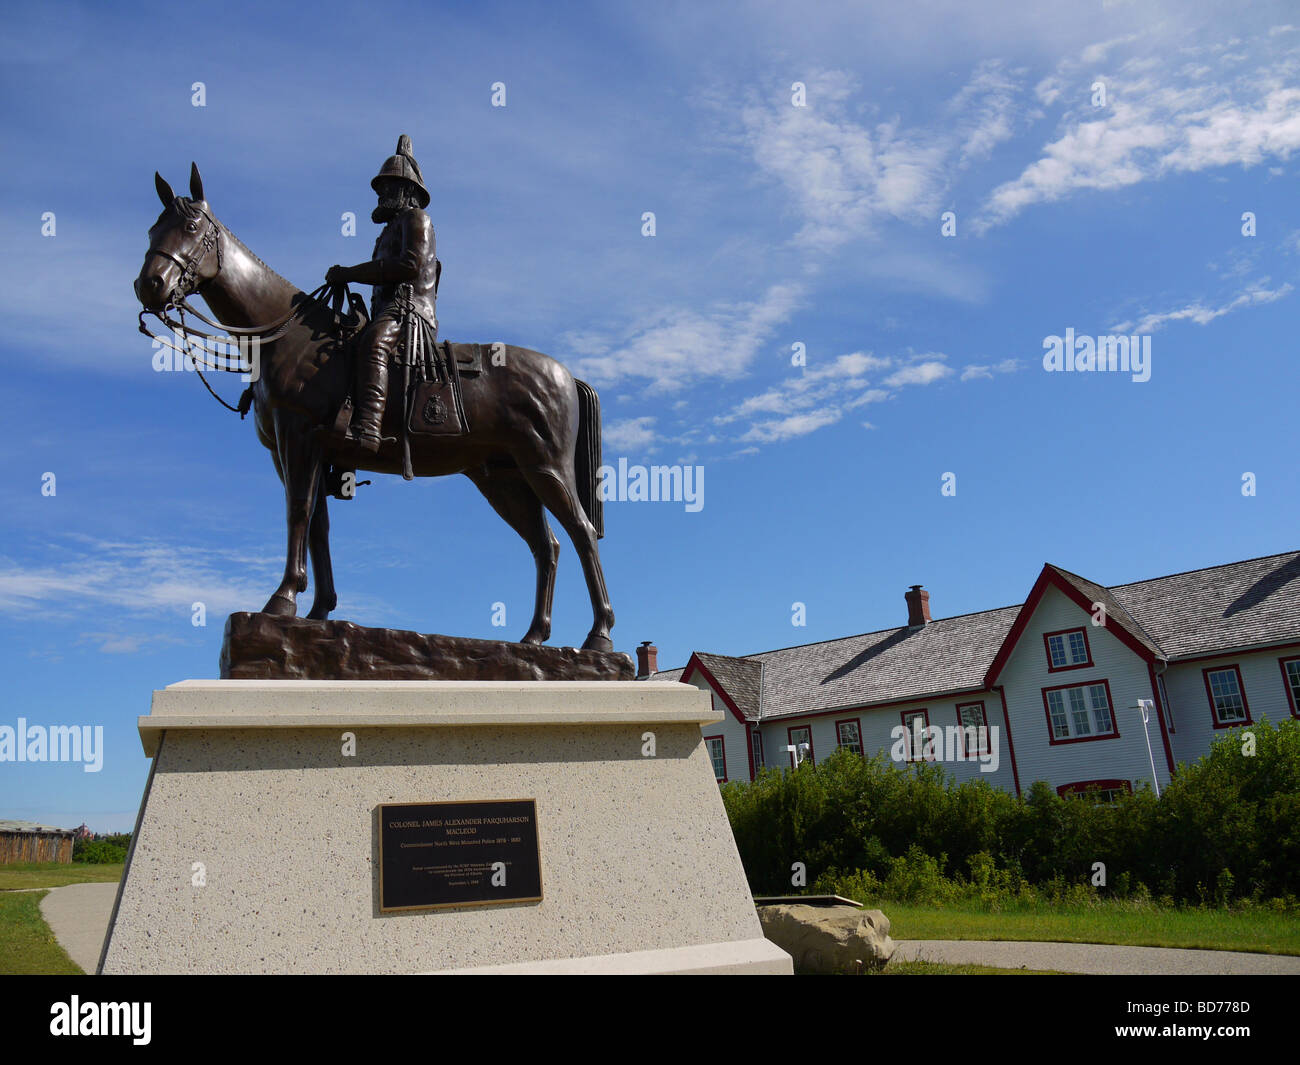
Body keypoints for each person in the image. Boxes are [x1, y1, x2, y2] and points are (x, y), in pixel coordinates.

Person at [326, 134, 439, 452]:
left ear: (407, 190)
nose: (381, 192)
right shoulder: (387, 232)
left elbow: (408, 265)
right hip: (385, 310)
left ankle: (369, 430)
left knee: (374, 344)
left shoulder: (418, 220)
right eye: (380, 187)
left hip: (409, 311)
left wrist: (350, 273)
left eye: (389, 186)